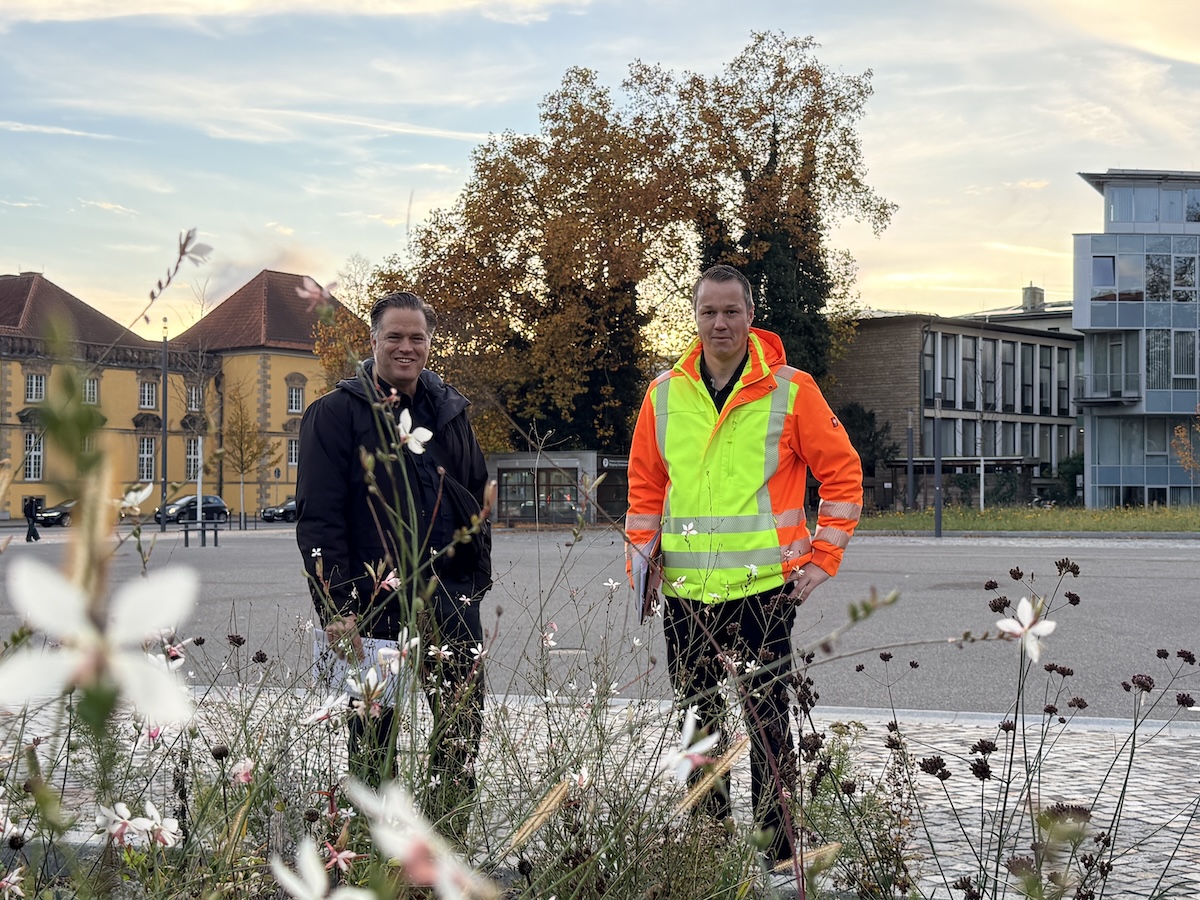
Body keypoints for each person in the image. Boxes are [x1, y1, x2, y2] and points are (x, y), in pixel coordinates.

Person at [625, 264, 862, 867]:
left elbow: (842, 473)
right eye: (709, 311)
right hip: (686, 590)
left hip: (764, 587)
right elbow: (645, 488)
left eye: (732, 311)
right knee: (697, 722)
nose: (720, 323)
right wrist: (641, 568)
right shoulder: (663, 394)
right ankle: (708, 846)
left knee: (768, 722)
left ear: (751, 316)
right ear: (695, 317)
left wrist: (824, 556)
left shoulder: (792, 389)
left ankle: (777, 850)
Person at [296, 290, 491, 840]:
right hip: (372, 602)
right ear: (374, 341)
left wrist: (473, 579)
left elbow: (475, 492)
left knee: (460, 726)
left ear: (430, 342)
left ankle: (444, 840)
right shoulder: (334, 415)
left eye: (417, 337)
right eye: (395, 337)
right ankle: (375, 846)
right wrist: (337, 608)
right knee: (372, 736)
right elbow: (319, 521)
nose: (406, 347)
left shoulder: (450, 411)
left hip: (449, 595)